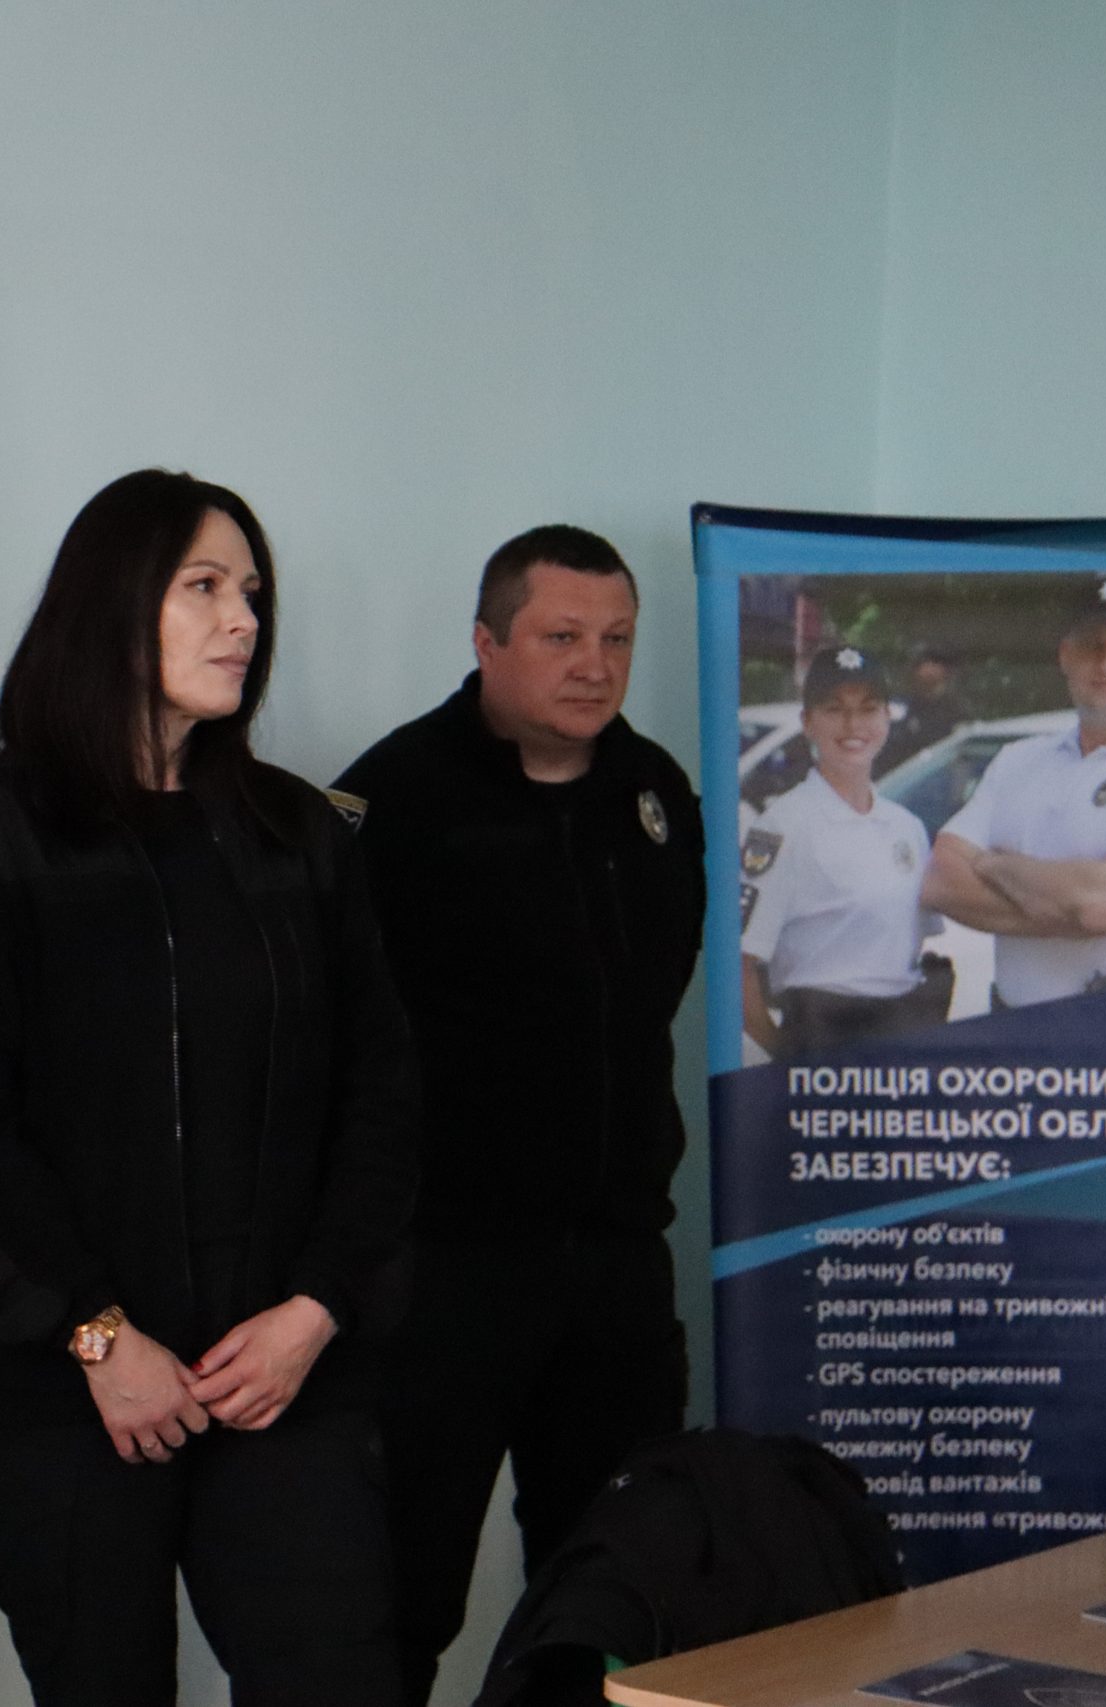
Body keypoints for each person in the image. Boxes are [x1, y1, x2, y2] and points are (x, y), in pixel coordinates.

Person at [0, 470, 418, 1706]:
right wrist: (93, 1332)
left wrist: (316, 1310)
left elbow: (383, 1093)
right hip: (68, 1396)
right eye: (204, 587)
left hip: (280, 1379)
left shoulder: (299, 833)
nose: (244, 621)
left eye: (251, 593)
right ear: (114, 606)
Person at [334, 523, 702, 1707]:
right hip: (441, 1272)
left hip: (614, 1268)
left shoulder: (654, 794)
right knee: (396, 1591)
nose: (594, 666)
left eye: (617, 640)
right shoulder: (390, 801)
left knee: (614, 1592)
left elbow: (658, 988)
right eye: (560, 637)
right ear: (486, 643)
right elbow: (337, 1044)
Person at [920, 574, 1106, 1009]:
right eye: (1092, 646)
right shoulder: (1019, 760)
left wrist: (994, 863)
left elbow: (1105, 904)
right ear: (1065, 655)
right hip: (1016, 1029)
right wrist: (1074, 913)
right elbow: (940, 880)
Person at [740, 645, 950, 1057]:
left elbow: (912, 949)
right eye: (834, 709)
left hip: (903, 1041)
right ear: (808, 722)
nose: (853, 725)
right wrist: (786, 1056)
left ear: (887, 717)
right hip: (825, 1039)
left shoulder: (906, 827)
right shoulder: (783, 827)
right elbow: (738, 966)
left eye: (868, 709)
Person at [876, 643, 968, 773]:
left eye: (936, 663)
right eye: (924, 663)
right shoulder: (895, 708)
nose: (929, 670)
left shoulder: (955, 714)